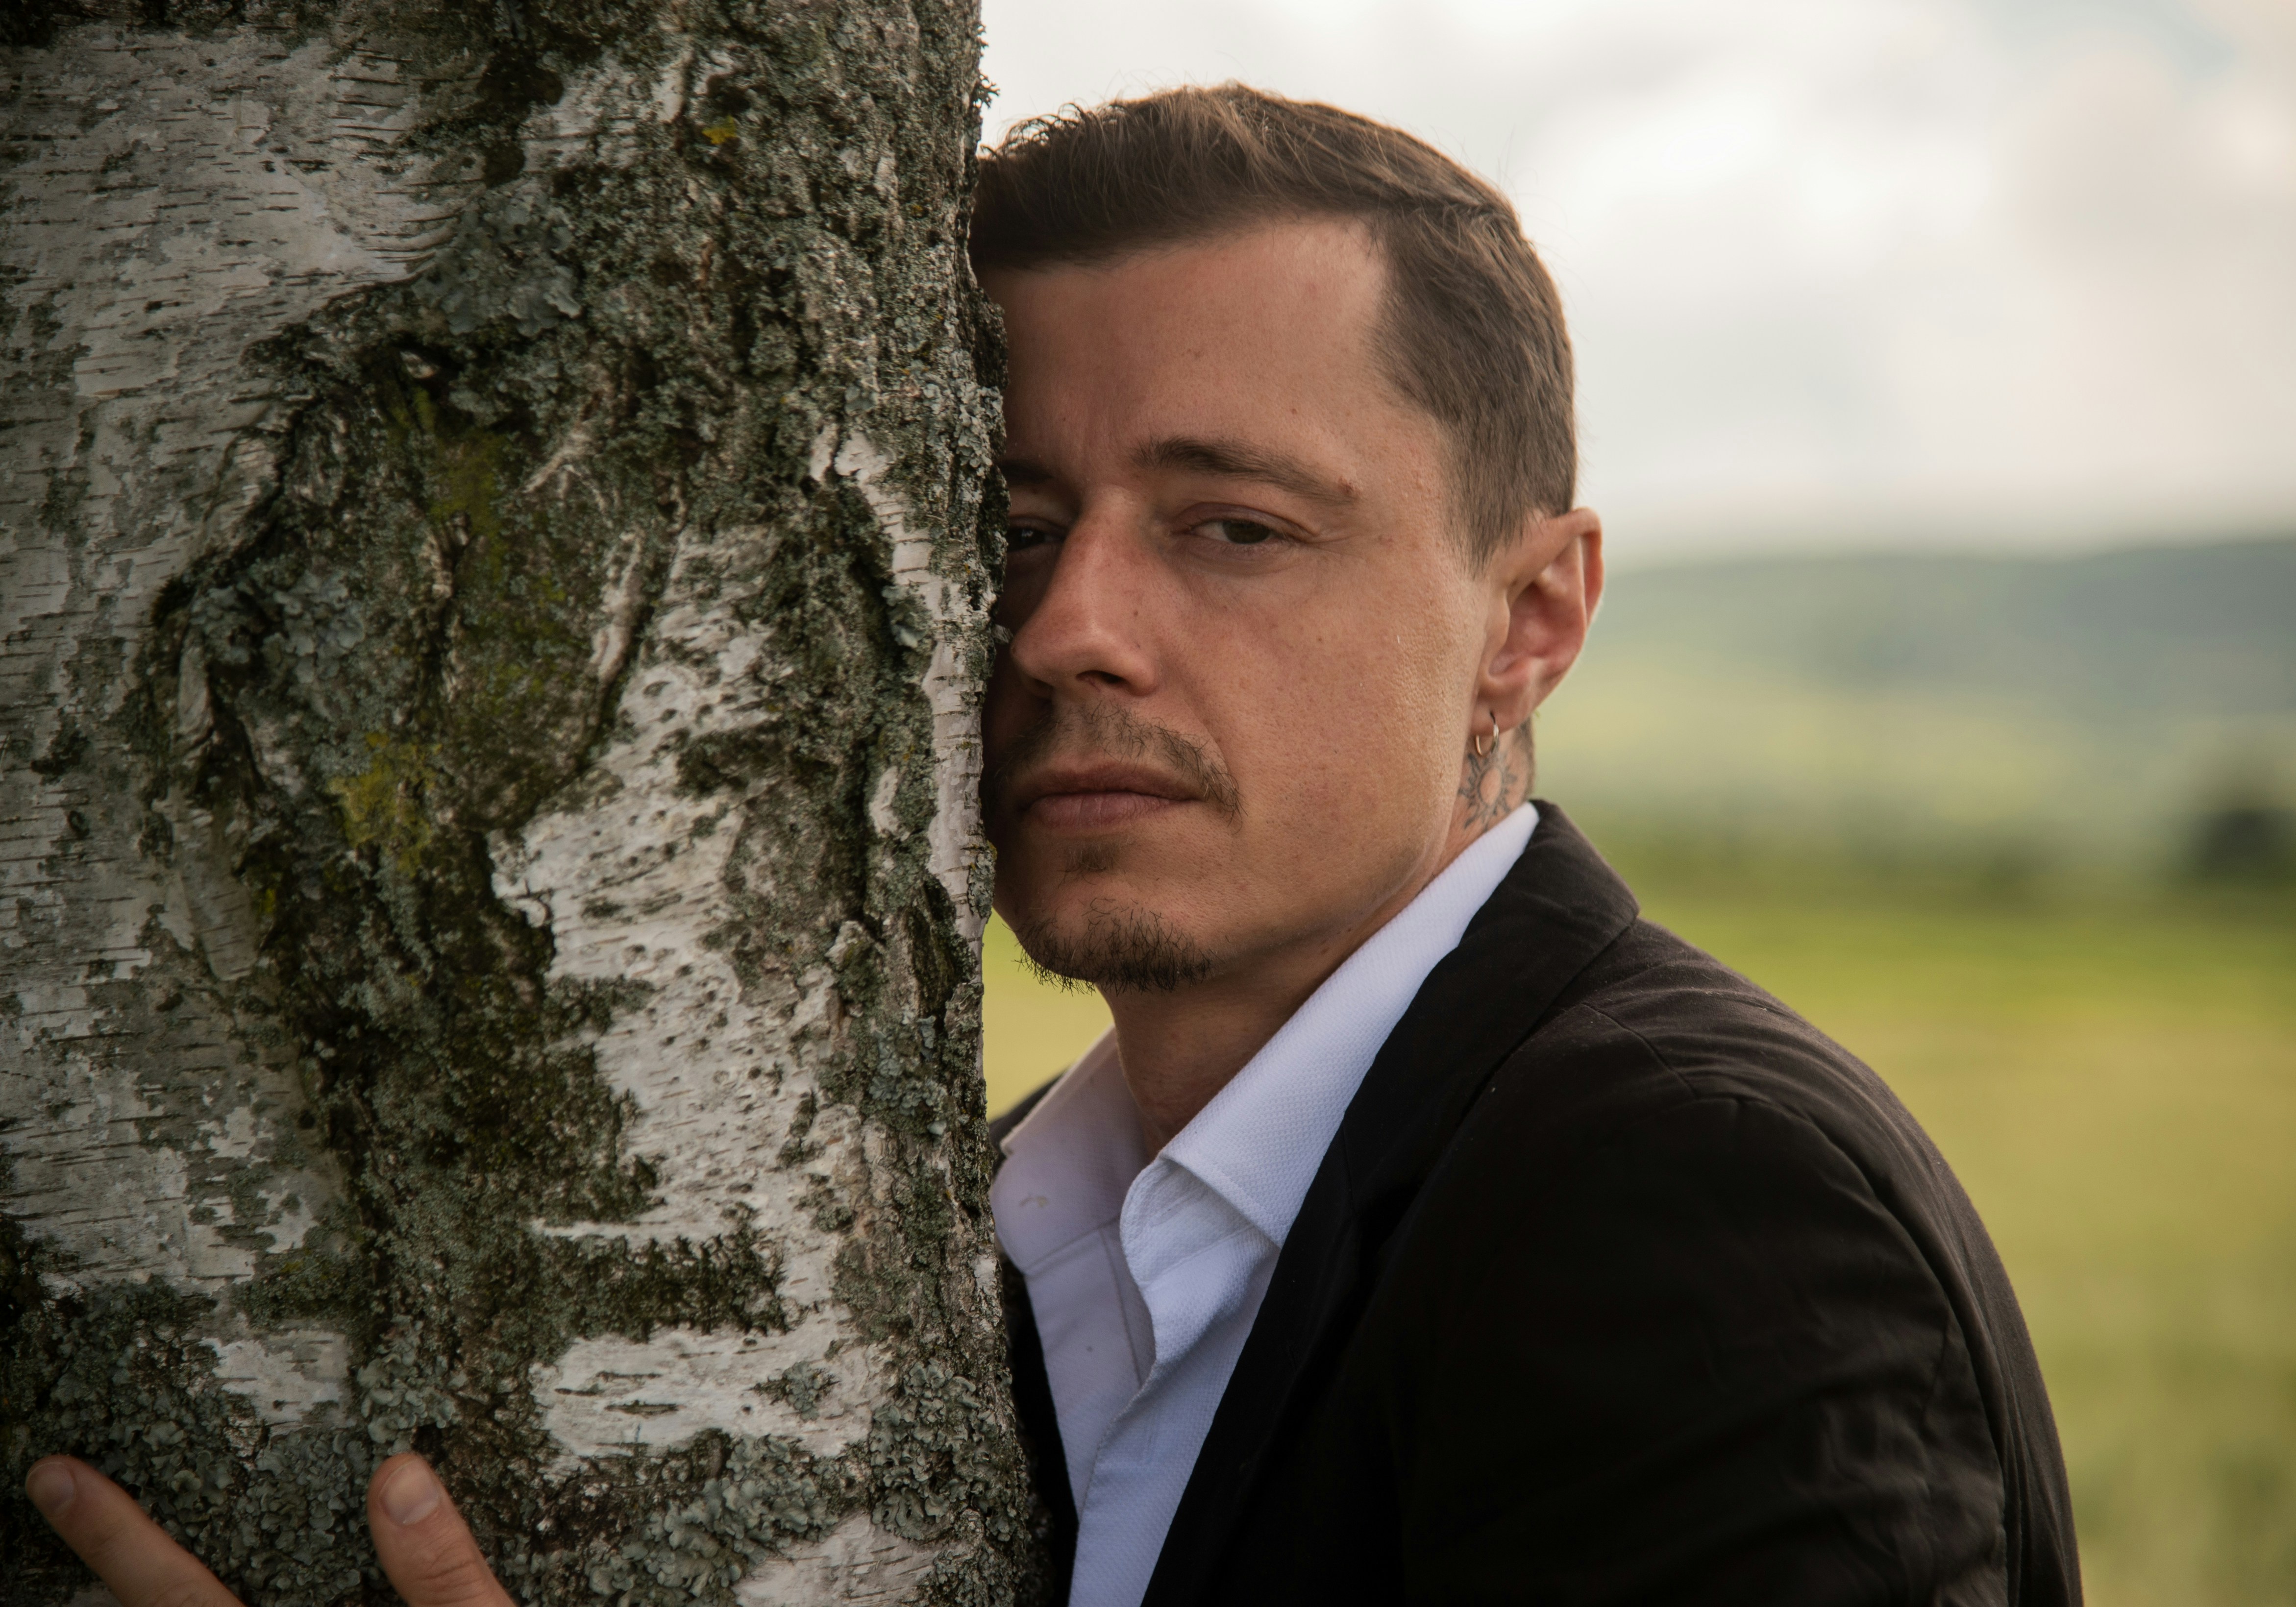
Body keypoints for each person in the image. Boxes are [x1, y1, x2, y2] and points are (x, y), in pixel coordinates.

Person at [25, 85, 2079, 1607]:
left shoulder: (1686, 1193)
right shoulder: (962, 1225)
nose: (1068, 626)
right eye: (1007, 529)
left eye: (1234, 527)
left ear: (1528, 619)